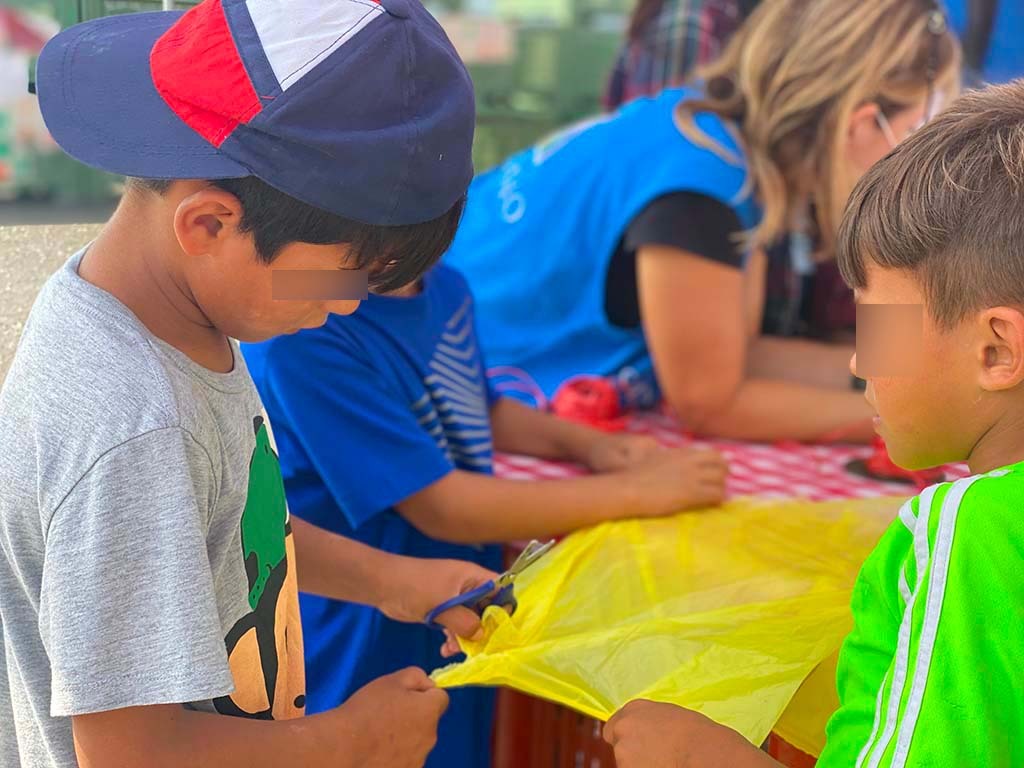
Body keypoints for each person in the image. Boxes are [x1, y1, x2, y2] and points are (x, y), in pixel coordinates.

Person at [0, 1, 500, 766]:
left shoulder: (173, 323)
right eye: (338, 278)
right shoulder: (133, 426)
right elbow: (132, 752)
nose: (345, 307)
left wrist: (394, 579)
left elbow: (229, 527)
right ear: (207, 225)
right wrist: (349, 740)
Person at [602, 79, 1024, 768]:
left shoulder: (966, 533)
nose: (859, 358)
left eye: (875, 323)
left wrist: (700, 755)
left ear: (996, 350)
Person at [241, 258, 726, 768]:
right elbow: (442, 507)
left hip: (452, 600)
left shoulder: (441, 283)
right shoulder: (306, 327)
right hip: (362, 624)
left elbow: (480, 406)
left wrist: (593, 448)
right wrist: (640, 493)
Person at [445, 0, 960, 444]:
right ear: (862, 122)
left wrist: (919, 362)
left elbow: (743, 353)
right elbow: (711, 404)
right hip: (445, 393)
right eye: (919, 130)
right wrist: (926, 413)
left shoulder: (720, 139)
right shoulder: (701, 186)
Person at [603, 0, 759, 111]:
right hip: (669, 147)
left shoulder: (658, 10)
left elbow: (611, 102)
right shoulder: (689, 17)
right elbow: (673, 121)